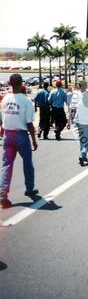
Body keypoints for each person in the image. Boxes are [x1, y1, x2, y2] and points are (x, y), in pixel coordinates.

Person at [0, 74, 38, 209]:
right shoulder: (26, 101)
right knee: (27, 162)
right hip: (21, 135)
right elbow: (29, 123)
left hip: (7, 135)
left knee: (6, 165)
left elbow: (2, 117)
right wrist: (33, 140)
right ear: (21, 83)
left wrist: (2, 130)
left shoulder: (5, 98)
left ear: (10, 83)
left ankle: (3, 194)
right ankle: (29, 188)